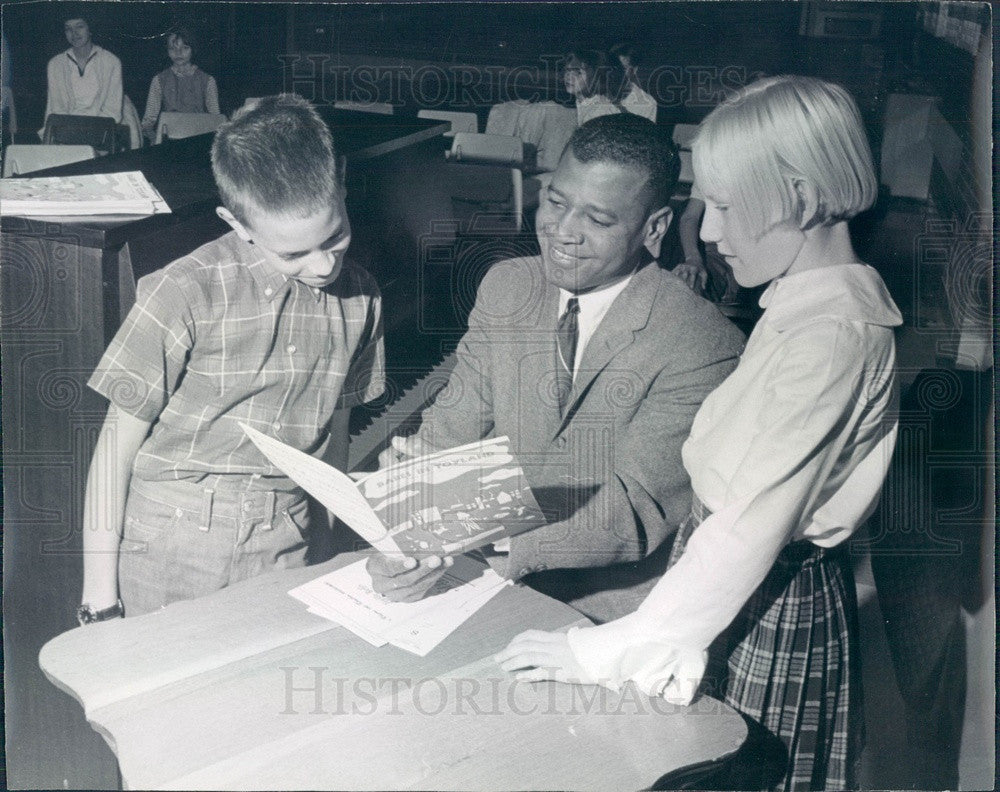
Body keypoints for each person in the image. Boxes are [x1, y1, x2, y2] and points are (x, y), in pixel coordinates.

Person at [497, 76, 902, 792]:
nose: (707, 233)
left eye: (721, 206)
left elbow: (747, 527)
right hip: (725, 582)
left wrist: (599, 652)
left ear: (801, 199)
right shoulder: (803, 305)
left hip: (757, 587)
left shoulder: (830, 338)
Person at [368, 113, 743, 624]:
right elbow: (447, 431)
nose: (564, 233)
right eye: (556, 203)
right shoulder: (506, 286)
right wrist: (405, 532)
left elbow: (631, 510)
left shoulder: (703, 342)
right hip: (476, 572)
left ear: (654, 228)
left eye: (599, 220)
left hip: (608, 612)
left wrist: (479, 537)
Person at [79, 94, 385, 622]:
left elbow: (336, 442)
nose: (322, 266)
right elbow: (114, 450)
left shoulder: (364, 298)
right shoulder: (181, 291)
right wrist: (99, 602)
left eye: (334, 238)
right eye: (293, 254)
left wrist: (330, 554)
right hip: (169, 544)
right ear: (237, 223)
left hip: (286, 540)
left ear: (342, 186)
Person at [41, 11, 142, 148]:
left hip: (105, 126)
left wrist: (89, 134)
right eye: (68, 28)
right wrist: (71, 135)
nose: (74, 33)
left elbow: (112, 111)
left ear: (91, 29)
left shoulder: (111, 61)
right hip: (68, 128)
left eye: (79, 26)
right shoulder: (55, 64)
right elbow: (57, 108)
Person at [141, 26, 221, 142]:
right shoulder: (158, 80)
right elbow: (148, 122)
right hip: (169, 141)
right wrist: (155, 140)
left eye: (185, 47)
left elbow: (216, 120)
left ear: (193, 49)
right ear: (167, 51)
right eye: (172, 48)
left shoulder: (208, 81)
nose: (178, 53)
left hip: (198, 140)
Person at [561, 46, 628, 126]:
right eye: (567, 70)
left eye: (578, 72)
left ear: (595, 77)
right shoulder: (579, 104)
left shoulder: (603, 112)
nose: (569, 76)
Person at [611, 42, 657, 122]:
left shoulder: (648, 103)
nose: (617, 74)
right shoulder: (593, 96)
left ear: (634, 70)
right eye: (614, 69)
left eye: (624, 69)